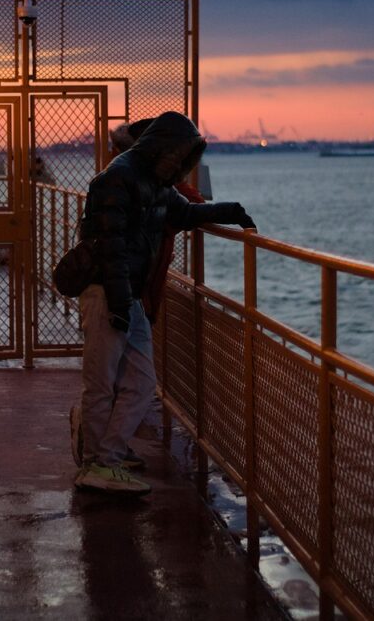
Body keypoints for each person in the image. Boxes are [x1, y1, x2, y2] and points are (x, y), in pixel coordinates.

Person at [71, 112, 256, 494]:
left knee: (140, 382)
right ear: (163, 148)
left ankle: (107, 456)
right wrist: (121, 303)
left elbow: (183, 213)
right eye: (179, 155)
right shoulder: (117, 180)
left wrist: (229, 211)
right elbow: (110, 246)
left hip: (127, 294)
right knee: (102, 382)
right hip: (107, 291)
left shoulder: (155, 182)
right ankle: (97, 465)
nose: (182, 164)